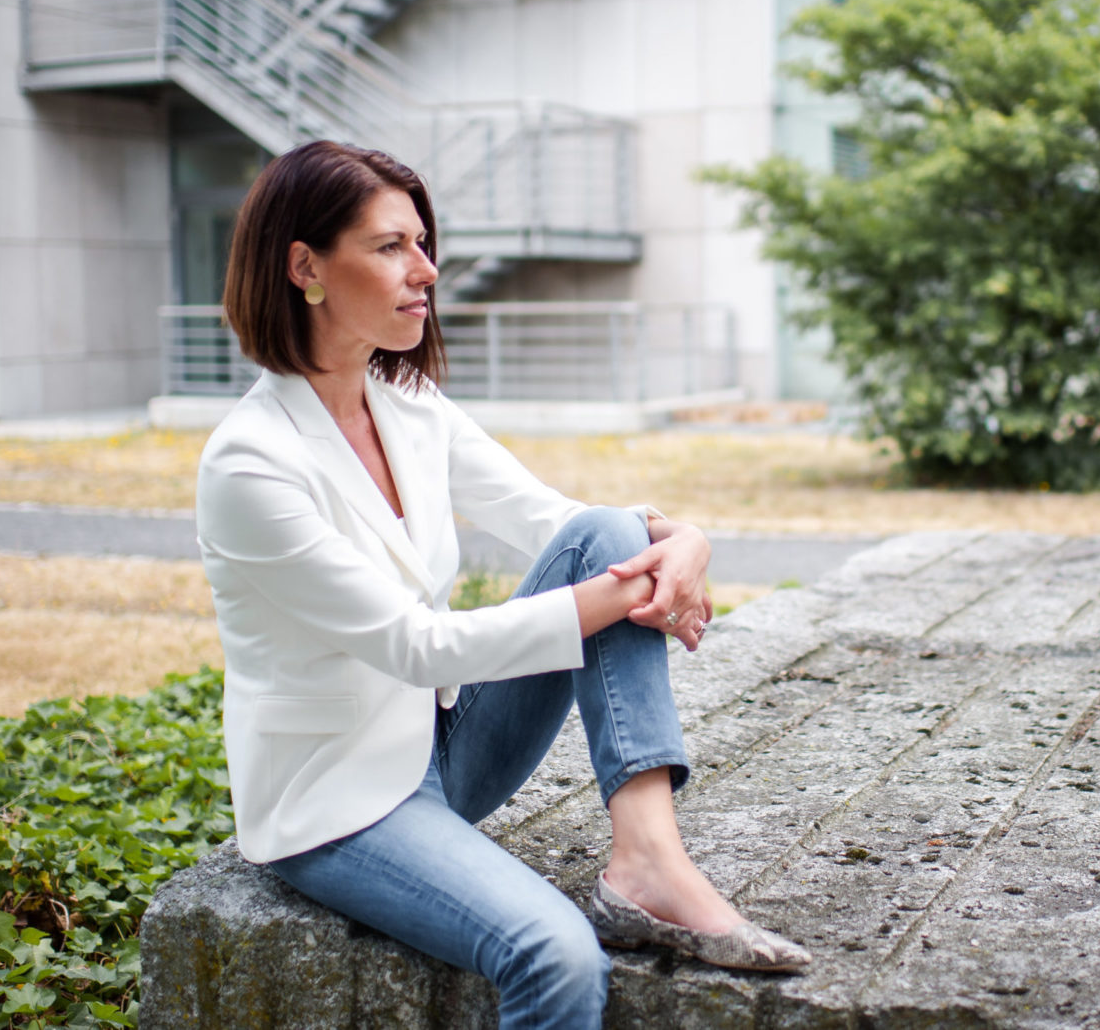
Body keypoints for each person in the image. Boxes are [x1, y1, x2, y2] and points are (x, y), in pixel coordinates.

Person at [195, 140, 810, 1029]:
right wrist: (630, 586)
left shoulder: (407, 406)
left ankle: (647, 861)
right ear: (305, 266)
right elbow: (416, 644)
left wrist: (686, 539)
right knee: (555, 957)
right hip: (335, 800)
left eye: (422, 242)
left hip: (446, 749)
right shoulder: (250, 464)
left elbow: (563, 523)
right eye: (391, 246)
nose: (427, 269)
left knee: (603, 531)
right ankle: (635, 880)